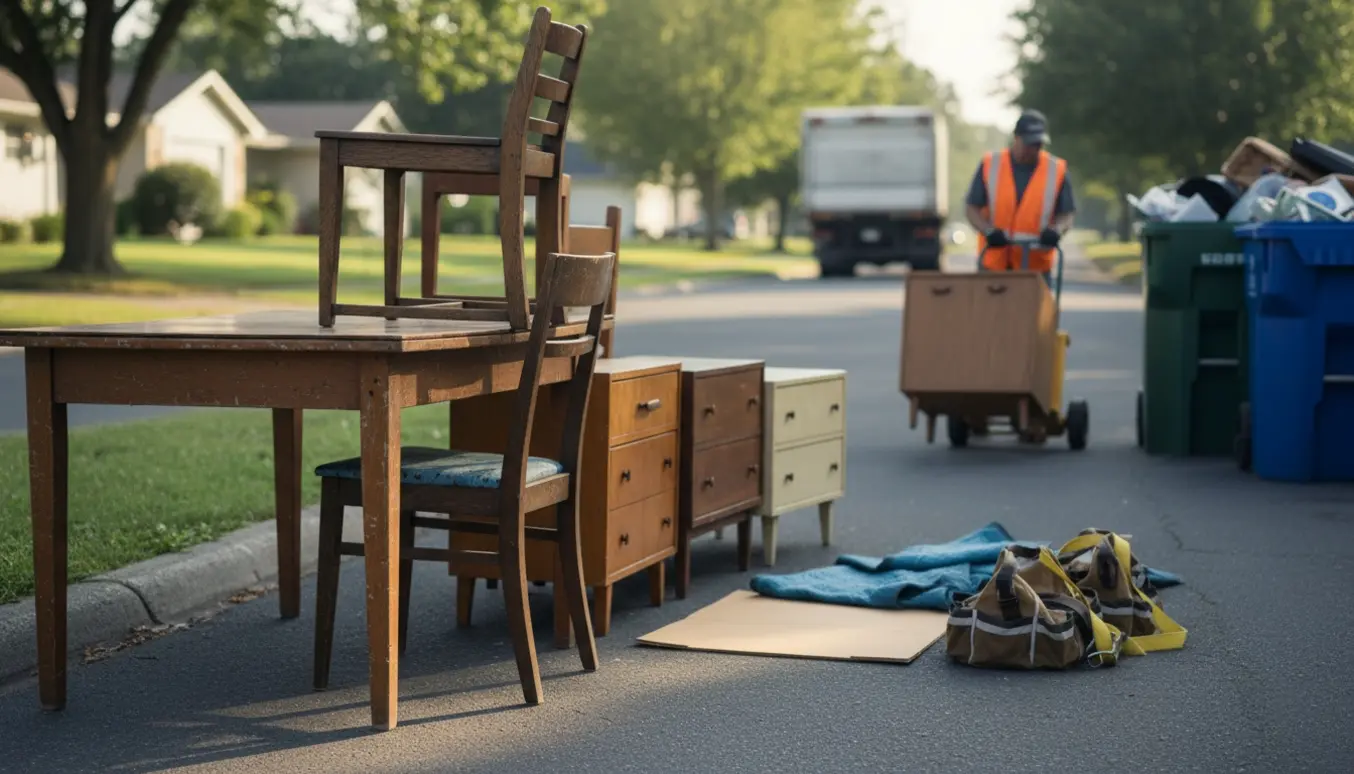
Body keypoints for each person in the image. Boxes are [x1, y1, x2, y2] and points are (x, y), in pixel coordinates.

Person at [964, 109, 1076, 285]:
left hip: (1036, 266)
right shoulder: (990, 164)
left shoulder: (1056, 170)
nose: (1033, 150)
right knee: (992, 313)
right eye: (1029, 144)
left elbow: (1067, 213)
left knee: (1032, 313)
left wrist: (1056, 230)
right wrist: (988, 231)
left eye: (1038, 145)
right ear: (1016, 138)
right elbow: (972, 208)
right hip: (994, 262)